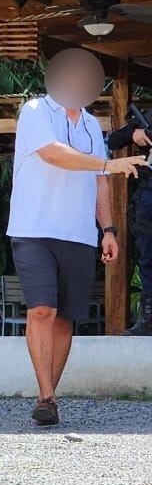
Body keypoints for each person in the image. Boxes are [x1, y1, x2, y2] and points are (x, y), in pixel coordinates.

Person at [6, 48, 145, 427]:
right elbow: (54, 154)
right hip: (33, 229)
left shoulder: (91, 124)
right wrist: (106, 162)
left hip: (80, 235)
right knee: (42, 310)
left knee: (66, 318)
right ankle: (45, 396)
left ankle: (50, 394)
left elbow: (99, 184)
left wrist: (109, 230)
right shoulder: (36, 111)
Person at [106, 109, 152, 334]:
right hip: (148, 199)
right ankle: (149, 319)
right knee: (148, 258)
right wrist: (136, 133)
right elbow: (114, 140)